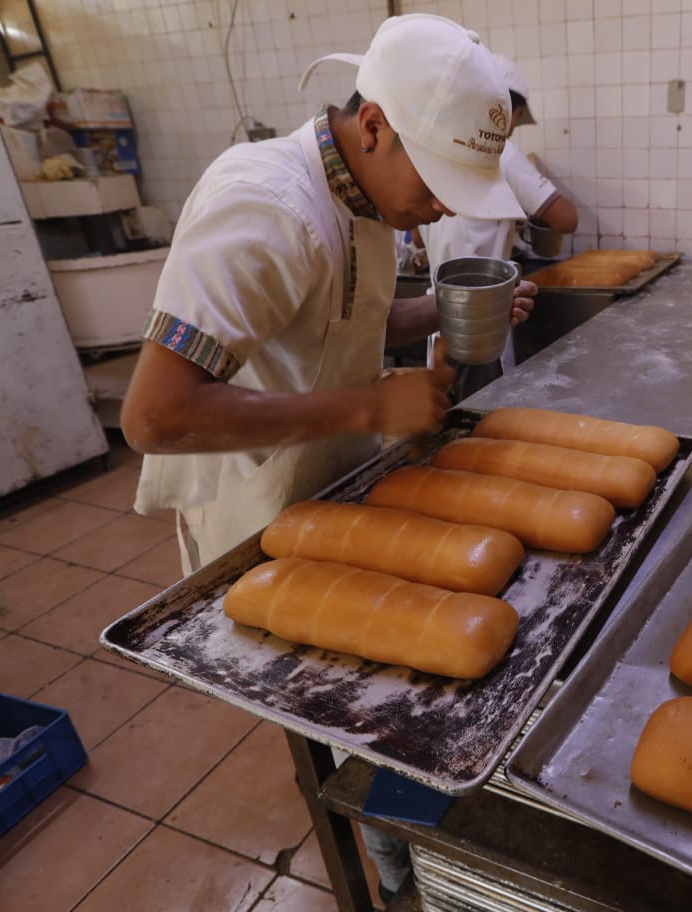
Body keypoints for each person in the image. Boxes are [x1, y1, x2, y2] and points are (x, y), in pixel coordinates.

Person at [119, 15, 535, 900]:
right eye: (438, 180)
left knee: (389, 684)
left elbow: (340, 318)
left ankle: (400, 841)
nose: (446, 206)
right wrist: (368, 403)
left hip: (340, 484)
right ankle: (391, 869)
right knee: (341, 703)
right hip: (259, 507)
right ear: (375, 125)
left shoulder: (368, 195)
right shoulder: (261, 202)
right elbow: (156, 417)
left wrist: (437, 318)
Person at [415, 53, 577, 398]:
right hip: (483, 323)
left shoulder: (438, 150)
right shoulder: (503, 154)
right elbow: (566, 219)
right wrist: (527, 211)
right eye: (515, 118)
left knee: (446, 422)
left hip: (438, 317)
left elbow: (417, 232)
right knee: (486, 421)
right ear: (506, 111)